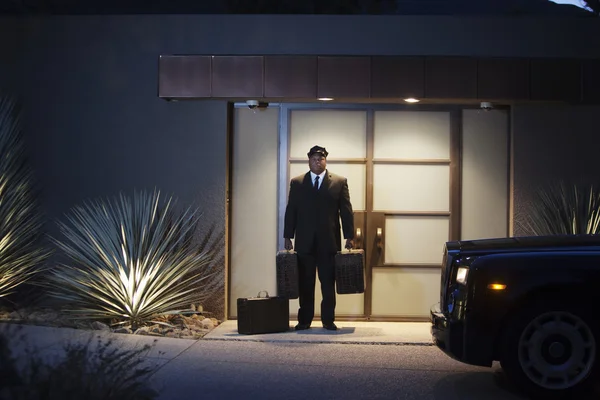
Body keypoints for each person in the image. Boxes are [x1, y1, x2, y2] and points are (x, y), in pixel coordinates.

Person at [283, 145, 354, 331]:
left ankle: (328, 320)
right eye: (314, 158)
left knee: (328, 284)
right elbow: (291, 211)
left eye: (321, 158)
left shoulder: (339, 182)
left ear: (325, 160)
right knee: (306, 283)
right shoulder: (297, 183)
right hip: (304, 243)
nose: (317, 161)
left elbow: (346, 212)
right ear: (309, 161)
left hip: (329, 243)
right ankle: (304, 320)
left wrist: (349, 236)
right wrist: (287, 235)